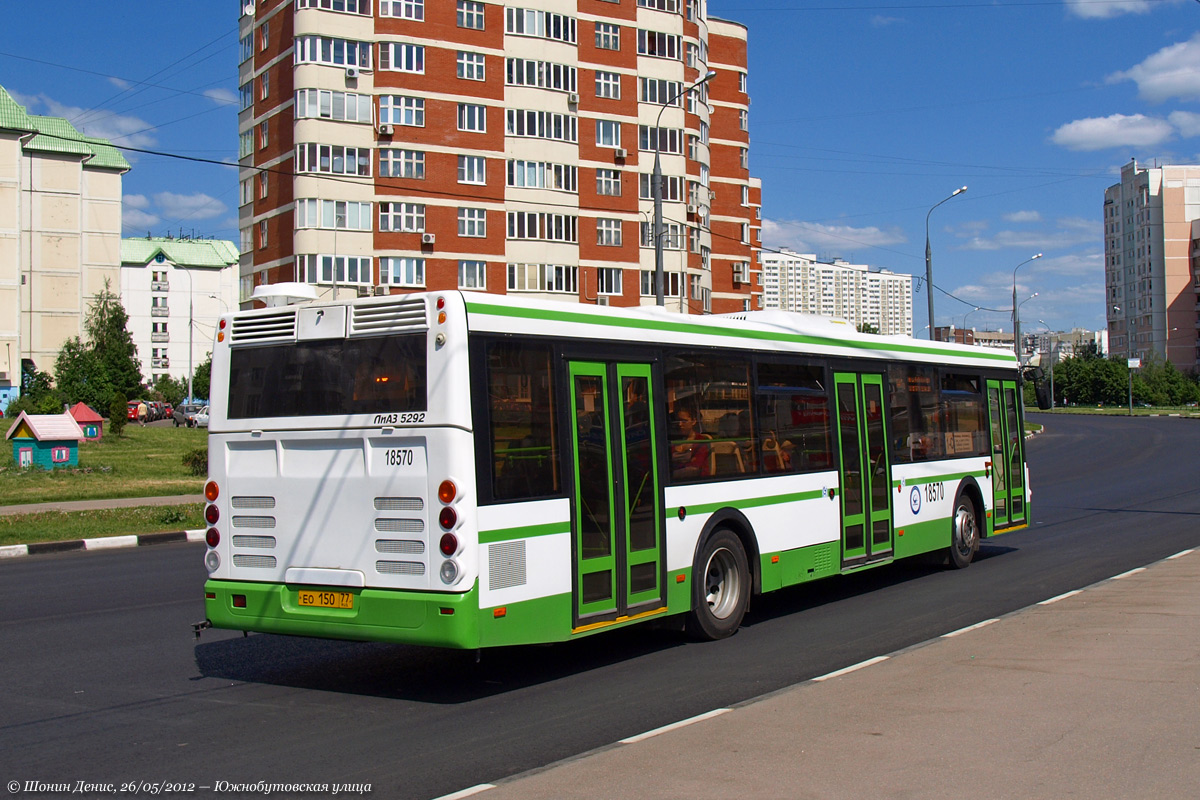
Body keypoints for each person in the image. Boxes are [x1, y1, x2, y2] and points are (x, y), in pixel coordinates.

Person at [670, 408, 710, 480]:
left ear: (693, 421)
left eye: (684, 421)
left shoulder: (700, 441)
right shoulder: (672, 440)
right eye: (678, 421)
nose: (680, 424)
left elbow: (696, 467)